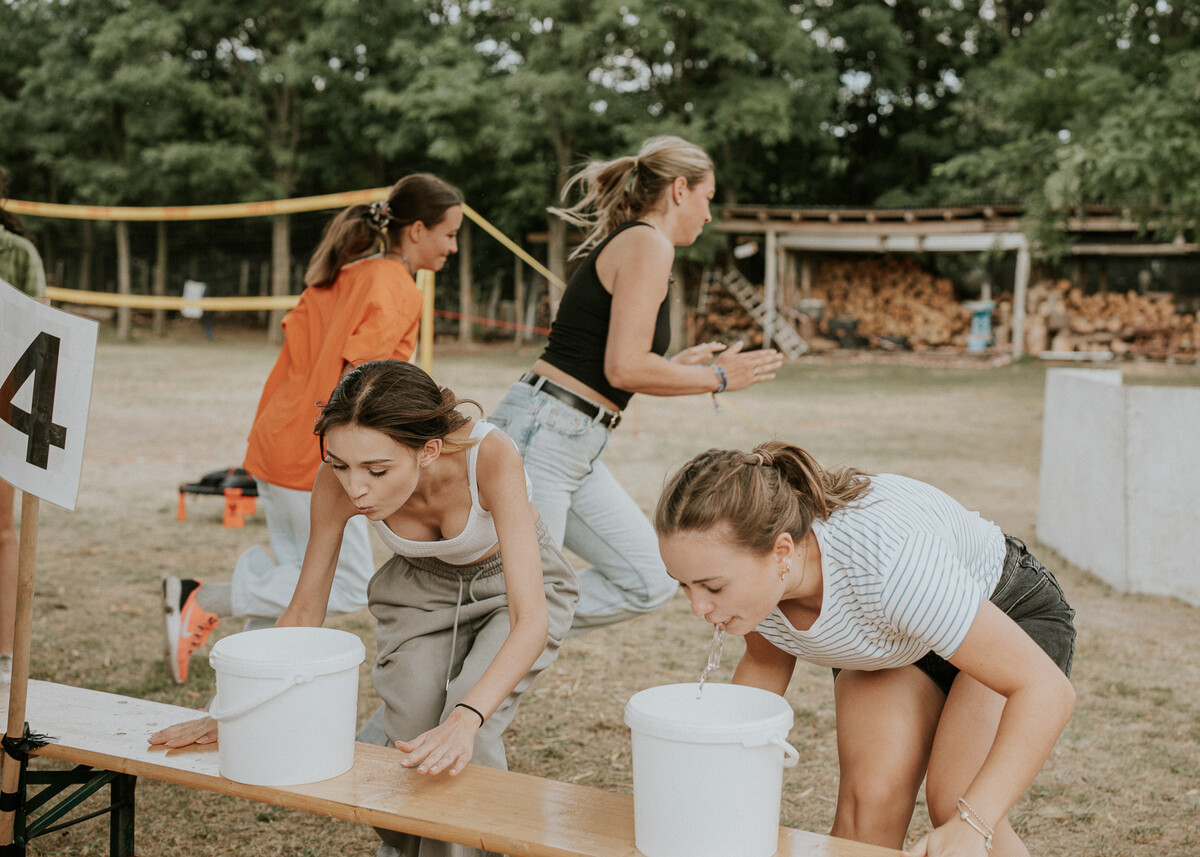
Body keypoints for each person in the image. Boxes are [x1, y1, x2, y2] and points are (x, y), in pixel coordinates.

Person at [152, 360, 579, 857]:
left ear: (428, 451)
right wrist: (226, 710)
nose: (355, 487)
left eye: (376, 471)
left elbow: (531, 620)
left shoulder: (489, 456)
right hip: (422, 591)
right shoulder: (337, 482)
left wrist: (466, 717)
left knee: (466, 729)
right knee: (411, 728)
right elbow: (305, 609)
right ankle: (407, 845)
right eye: (340, 464)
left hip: (511, 588)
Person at [654, 441, 1076, 857]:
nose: (698, 607)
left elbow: (1045, 690)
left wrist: (972, 825)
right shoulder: (758, 592)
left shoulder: (888, 564)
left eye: (713, 587)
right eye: (684, 585)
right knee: (868, 809)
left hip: (1003, 609)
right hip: (896, 638)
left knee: (957, 800)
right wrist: (717, 777)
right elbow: (765, 664)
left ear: (781, 552)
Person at [163, 174, 464, 684]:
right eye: (449, 234)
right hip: (317, 457)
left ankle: (245, 682)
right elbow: (366, 390)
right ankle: (203, 598)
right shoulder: (396, 288)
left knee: (298, 577)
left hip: (277, 442)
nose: (452, 247)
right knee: (344, 584)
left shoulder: (346, 273)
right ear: (417, 230)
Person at [487, 135, 783, 634]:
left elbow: (618, 362)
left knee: (646, 579)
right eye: (708, 198)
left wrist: (676, 367)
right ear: (681, 190)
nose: (709, 215)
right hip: (546, 434)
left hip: (571, 438)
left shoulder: (639, 242)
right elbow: (624, 368)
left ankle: (504, 617)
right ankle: (505, 623)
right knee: (525, 608)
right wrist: (718, 377)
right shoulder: (649, 243)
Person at [0, 170, 47, 686]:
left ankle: (4, 653)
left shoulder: (17, 253)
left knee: (1, 530)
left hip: (2, 401)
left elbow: (41, 334)